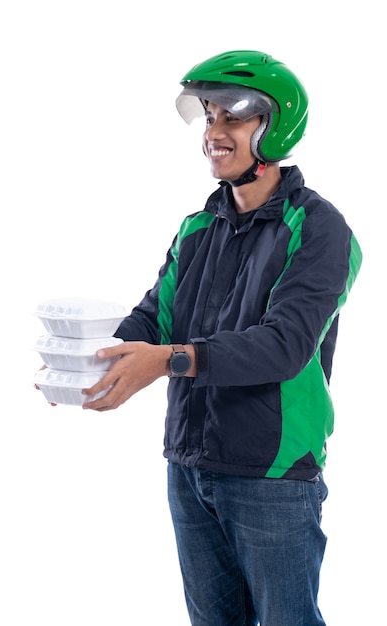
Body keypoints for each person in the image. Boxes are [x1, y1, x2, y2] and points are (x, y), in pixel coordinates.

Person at [80, 50, 362, 625]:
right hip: (190, 464)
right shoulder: (198, 227)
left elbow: (284, 345)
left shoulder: (320, 228)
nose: (213, 132)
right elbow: (155, 320)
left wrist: (164, 361)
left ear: (273, 126)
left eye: (230, 118)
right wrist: (83, 358)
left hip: (273, 474)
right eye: (208, 117)